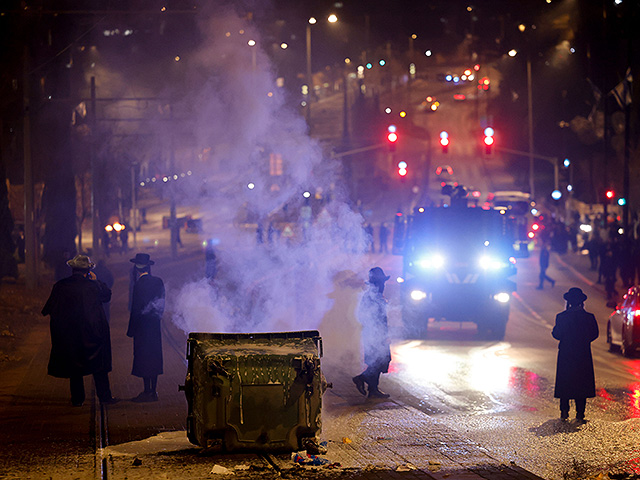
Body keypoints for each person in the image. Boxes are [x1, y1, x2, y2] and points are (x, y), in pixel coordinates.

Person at [41, 254, 117, 407]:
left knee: (74, 368)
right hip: (92, 333)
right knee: (99, 366)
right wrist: (97, 281)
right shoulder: (93, 286)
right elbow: (107, 295)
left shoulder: (60, 286)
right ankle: (105, 396)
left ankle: (77, 399)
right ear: (88, 271)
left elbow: (48, 309)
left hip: (71, 335)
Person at [552, 287, 599, 423]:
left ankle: (564, 411)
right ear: (581, 303)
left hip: (566, 353)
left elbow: (557, 334)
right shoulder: (589, 317)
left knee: (565, 382)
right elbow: (594, 334)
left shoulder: (561, 317)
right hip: (583, 353)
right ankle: (580, 413)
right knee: (581, 383)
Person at [127, 253, 165, 402]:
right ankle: (154, 391)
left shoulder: (138, 285)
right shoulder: (158, 282)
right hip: (154, 326)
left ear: (136, 269)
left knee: (143, 358)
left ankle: (147, 390)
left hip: (142, 329)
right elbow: (161, 303)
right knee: (154, 357)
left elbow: (135, 309)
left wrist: (131, 330)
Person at [352, 267, 392, 399]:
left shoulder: (376, 296)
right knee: (379, 360)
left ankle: (373, 390)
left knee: (378, 360)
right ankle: (361, 378)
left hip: (376, 333)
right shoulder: (371, 296)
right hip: (374, 334)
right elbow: (369, 316)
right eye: (381, 282)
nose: (383, 285)